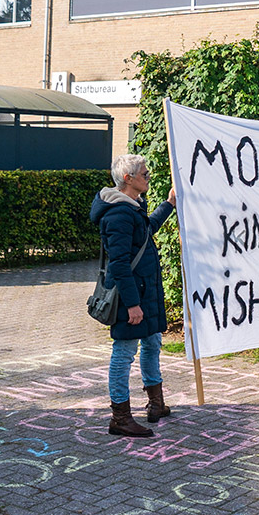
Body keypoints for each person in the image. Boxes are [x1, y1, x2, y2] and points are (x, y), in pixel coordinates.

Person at [90, 153, 177, 436]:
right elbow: (119, 264)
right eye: (144, 174)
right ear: (128, 179)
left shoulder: (133, 207)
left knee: (152, 343)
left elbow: (147, 231)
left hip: (145, 290)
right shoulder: (118, 214)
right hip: (133, 296)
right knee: (124, 352)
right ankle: (120, 417)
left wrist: (169, 204)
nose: (148, 177)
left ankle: (156, 404)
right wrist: (132, 305)